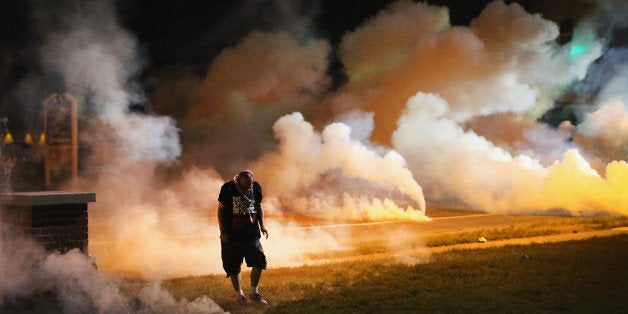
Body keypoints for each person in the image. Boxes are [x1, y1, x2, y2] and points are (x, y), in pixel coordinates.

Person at [217, 170, 269, 304]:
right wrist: (223, 232)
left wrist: (262, 225)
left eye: (251, 183)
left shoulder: (255, 187)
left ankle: (254, 293)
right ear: (239, 181)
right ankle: (239, 295)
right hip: (232, 234)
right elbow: (221, 210)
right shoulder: (228, 188)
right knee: (233, 265)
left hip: (251, 233)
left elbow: (259, 206)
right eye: (246, 183)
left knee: (259, 261)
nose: (249, 186)